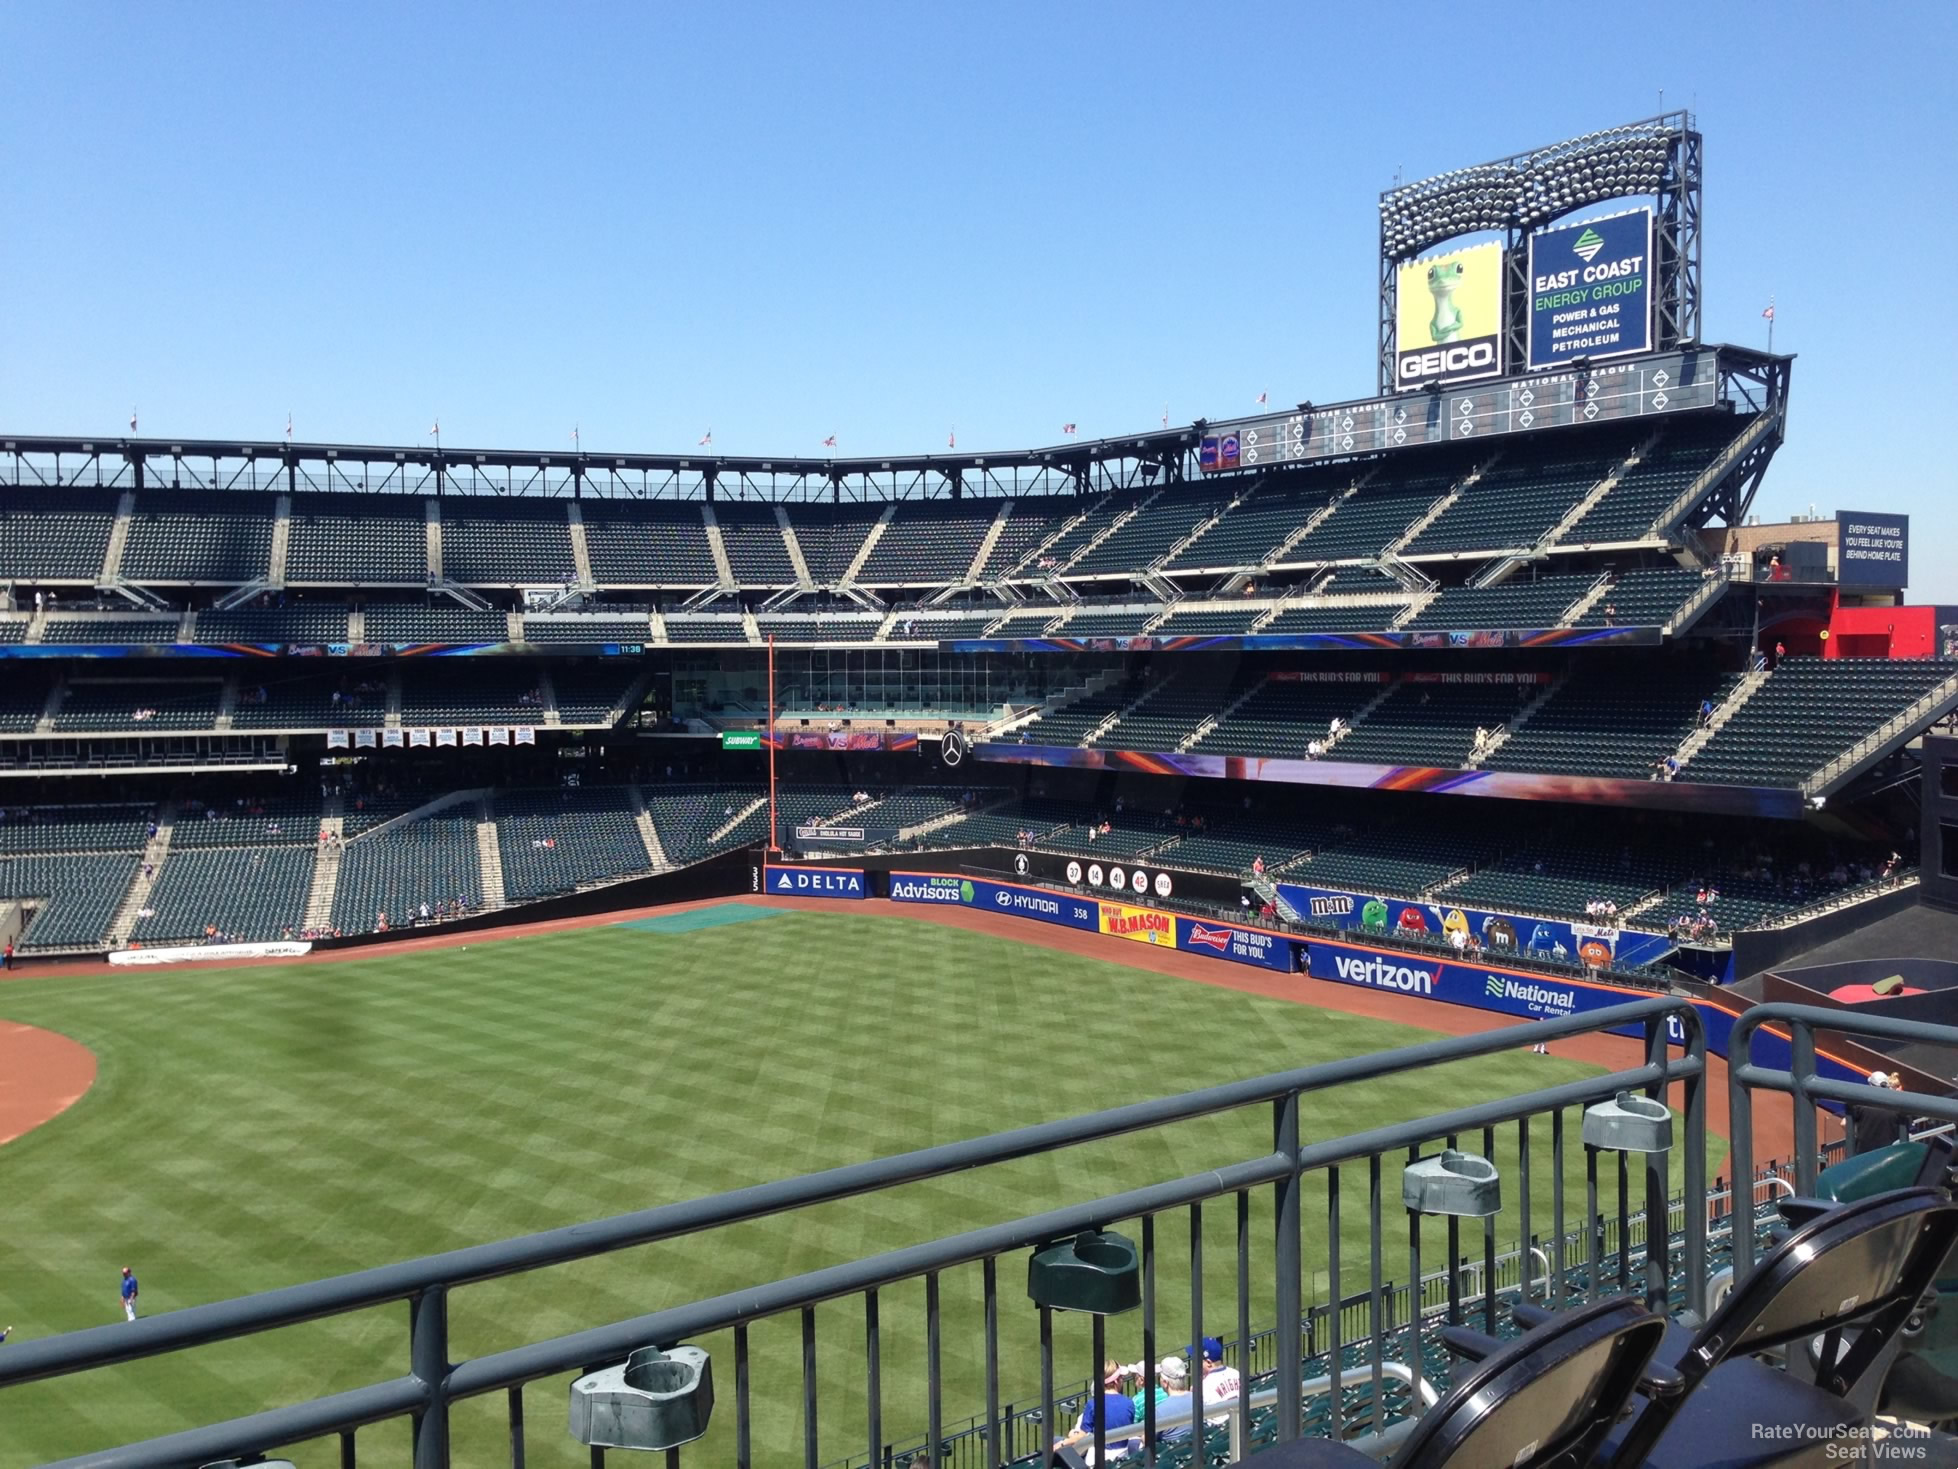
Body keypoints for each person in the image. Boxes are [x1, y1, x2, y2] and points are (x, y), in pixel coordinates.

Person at [1054, 1360, 1138, 1461]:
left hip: (1096, 1459)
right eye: (1121, 1377)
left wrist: (1062, 1443)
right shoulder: (1129, 1403)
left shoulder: (1093, 1404)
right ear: (1116, 1381)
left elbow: (1081, 1436)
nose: (1122, 1381)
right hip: (1121, 1457)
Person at [1194, 1337, 1241, 1424]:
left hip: (1217, 1429)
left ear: (1208, 1363)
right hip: (1239, 1422)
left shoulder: (1204, 1385)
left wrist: (1192, 1395)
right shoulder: (1236, 1373)